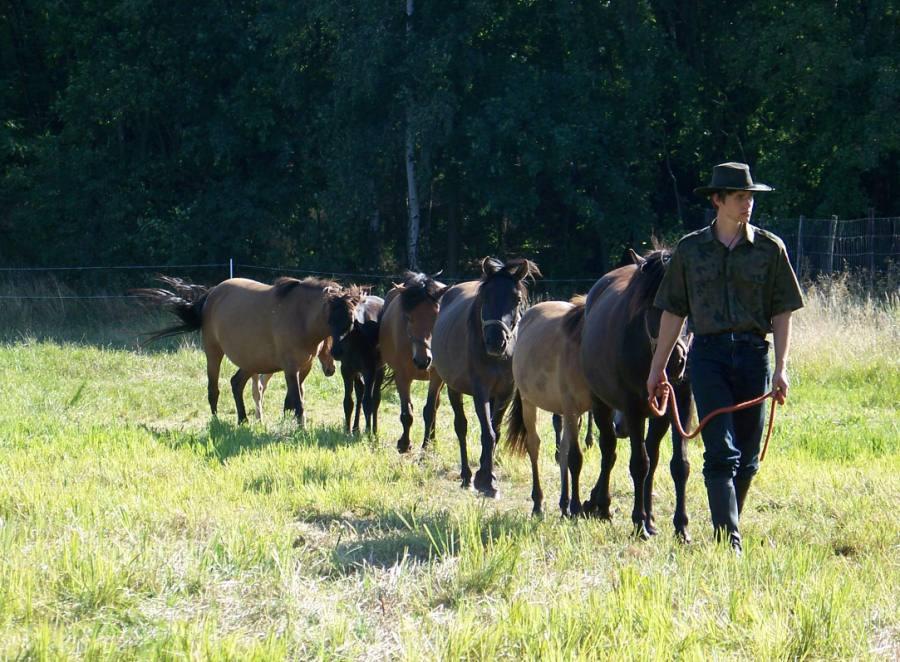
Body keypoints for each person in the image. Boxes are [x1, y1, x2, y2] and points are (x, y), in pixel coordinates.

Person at [647, 162, 804, 553]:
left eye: (750, 197)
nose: (747, 204)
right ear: (717, 200)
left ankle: (730, 523)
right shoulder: (689, 250)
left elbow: (782, 312)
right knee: (721, 451)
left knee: (748, 458)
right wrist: (657, 369)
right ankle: (727, 542)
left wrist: (781, 368)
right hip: (709, 357)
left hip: (754, 356)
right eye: (739, 197)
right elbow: (673, 313)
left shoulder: (771, 249)